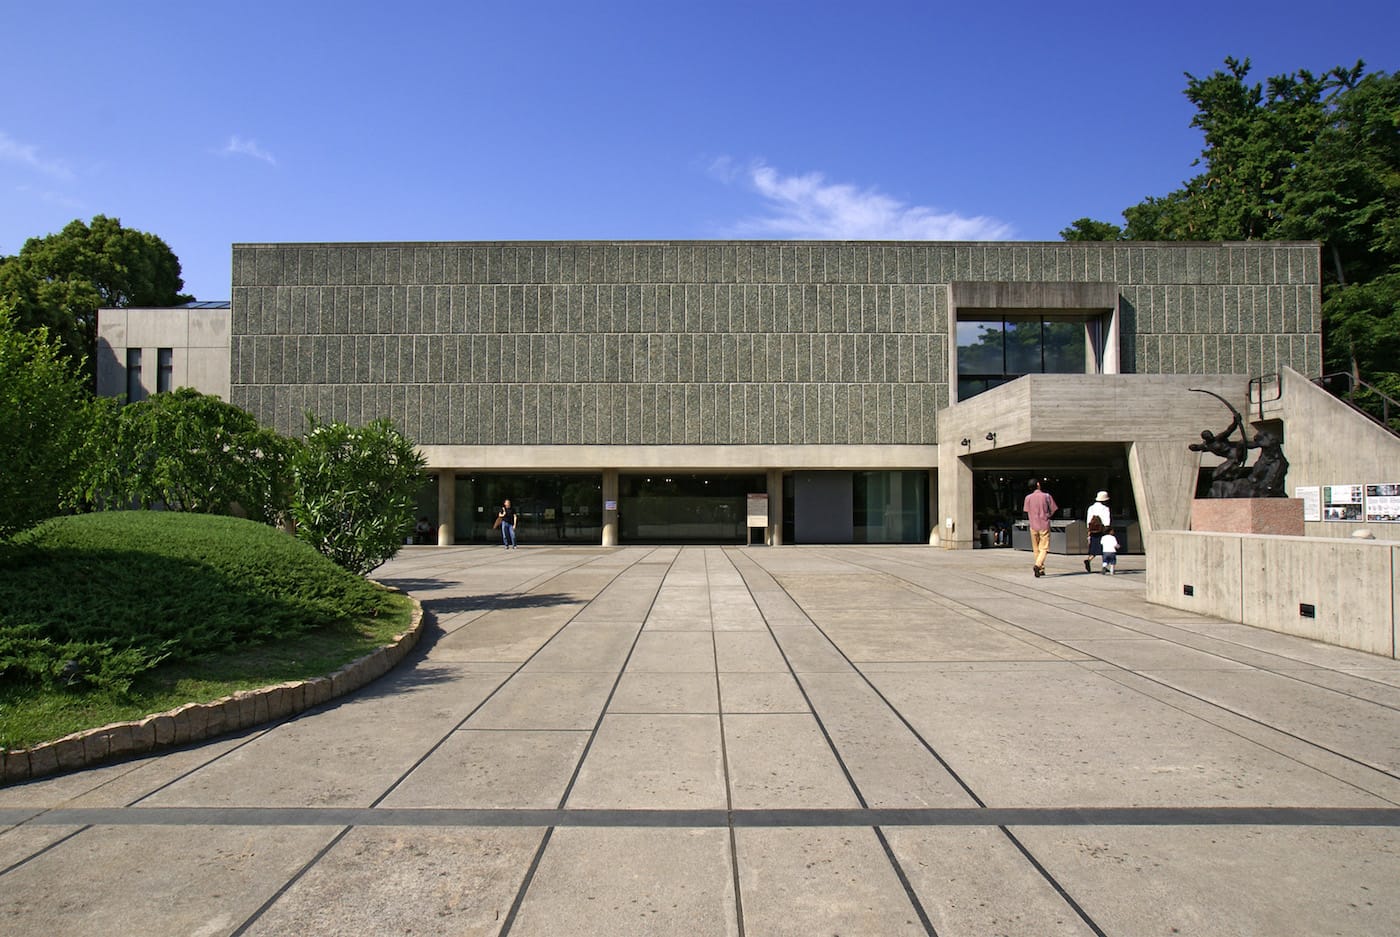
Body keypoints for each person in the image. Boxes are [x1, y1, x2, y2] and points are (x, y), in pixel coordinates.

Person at [1022, 478, 1058, 578]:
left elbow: (1026, 511)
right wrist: (1048, 515)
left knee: (1036, 548)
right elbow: (1053, 509)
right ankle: (1038, 565)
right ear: (1038, 484)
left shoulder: (1028, 498)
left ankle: (1041, 569)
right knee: (1044, 548)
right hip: (1044, 524)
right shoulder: (1046, 496)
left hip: (1033, 525)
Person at [1084, 490, 1111, 572]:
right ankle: (1104, 565)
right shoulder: (1105, 508)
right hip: (1102, 530)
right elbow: (1107, 521)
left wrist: (1089, 530)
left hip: (1093, 529)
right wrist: (1108, 528)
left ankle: (1089, 559)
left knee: (1094, 547)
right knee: (1104, 548)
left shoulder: (1091, 508)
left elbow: (1088, 520)